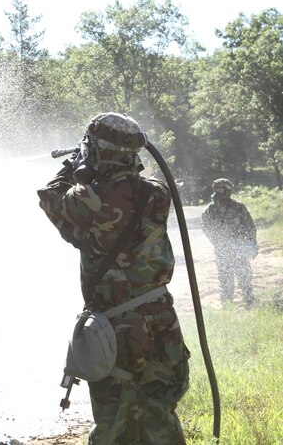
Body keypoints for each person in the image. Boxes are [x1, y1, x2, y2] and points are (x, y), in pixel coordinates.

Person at [38, 113, 189, 444]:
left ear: (99, 152)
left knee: (115, 422)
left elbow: (51, 198)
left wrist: (75, 164)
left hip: (118, 328)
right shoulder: (157, 194)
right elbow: (125, 192)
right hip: (162, 319)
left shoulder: (88, 201)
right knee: (159, 414)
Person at [200, 178, 257, 306]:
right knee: (225, 276)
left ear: (228, 191)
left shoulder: (238, 207)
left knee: (244, 274)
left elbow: (250, 226)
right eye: (216, 189)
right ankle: (227, 302)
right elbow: (205, 226)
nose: (218, 192)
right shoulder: (211, 209)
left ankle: (249, 299)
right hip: (222, 249)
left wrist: (252, 244)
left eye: (221, 189)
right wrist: (216, 241)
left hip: (239, 248)